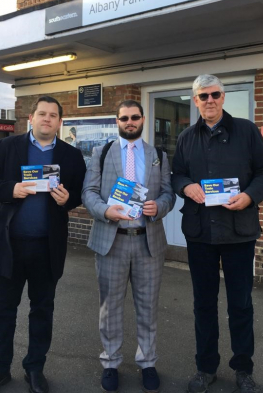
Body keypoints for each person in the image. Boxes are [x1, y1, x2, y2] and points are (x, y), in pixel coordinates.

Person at [0, 96, 86, 393]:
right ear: (31, 119)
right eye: (42, 114)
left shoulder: (71, 156)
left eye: (52, 115)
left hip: (46, 247)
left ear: (60, 122)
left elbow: (79, 192)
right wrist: (11, 188)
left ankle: (34, 368)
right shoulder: (7, 147)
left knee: (42, 311)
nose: (47, 119)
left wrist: (68, 199)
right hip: (8, 246)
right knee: (2, 311)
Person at [171, 75, 263, 393]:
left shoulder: (246, 131)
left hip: (238, 232)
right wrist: (186, 186)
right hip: (200, 233)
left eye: (215, 94)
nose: (210, 100)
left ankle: (243, 368)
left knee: (240, 304)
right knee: (203, 304)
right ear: (195, 101)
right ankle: (206, 367)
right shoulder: (186, 137)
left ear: (223, 97)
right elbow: (177, 174)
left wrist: (249, 196)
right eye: (203, 96)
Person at [82, 100, 175, 393]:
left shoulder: (158, 155)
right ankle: (110, 362)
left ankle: (147, 361)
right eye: (125, 118)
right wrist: (105, 211)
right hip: (113, 240)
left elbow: (170, 194)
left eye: (135, 117)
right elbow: (89, 192)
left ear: (143, 119)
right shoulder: (102, 152)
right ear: (117, 120)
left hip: (147, 241)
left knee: (147, 307)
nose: (130, 122)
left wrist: (158, 206)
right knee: (110, 307)